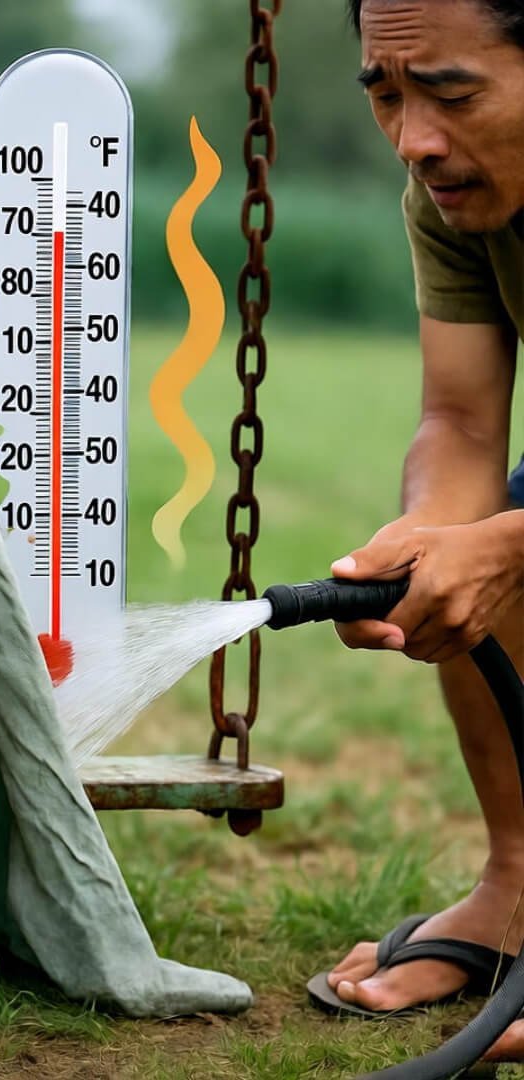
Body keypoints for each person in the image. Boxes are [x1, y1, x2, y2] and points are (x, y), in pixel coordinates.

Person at [309, 0, 524, 1057]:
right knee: (482, 542)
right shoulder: (450, 191)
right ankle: (520, 893)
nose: (414, 138)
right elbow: (463, 420)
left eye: (451, 92)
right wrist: (422, 548)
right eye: (388, 95)